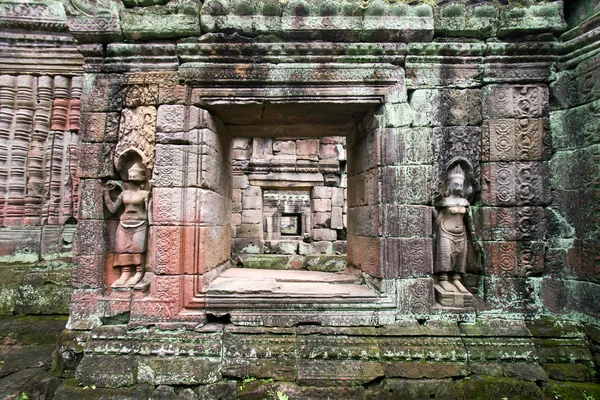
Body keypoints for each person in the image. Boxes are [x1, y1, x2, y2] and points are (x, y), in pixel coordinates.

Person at [104, 155, 151, 288]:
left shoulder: (145, 194)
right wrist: (106, 194)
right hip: (124, 223)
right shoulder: (124, 194)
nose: (133, 177)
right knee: (122, 249)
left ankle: (138, 272)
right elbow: (113, 209)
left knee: (137, 249)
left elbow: (149, 212)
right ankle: (125, 273)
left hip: (140, 224)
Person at [434, 163, 473, 295]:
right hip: (446, 232)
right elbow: (438, 219)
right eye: (455, 184)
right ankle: (443, 278)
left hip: (461, 234)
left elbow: (469, 221)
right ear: (450, 185)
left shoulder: (464, 202)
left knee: (460, 257)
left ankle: (456, 278)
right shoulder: (445, 201)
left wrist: (475, 238)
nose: (458, 187)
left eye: (460, 184)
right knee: (445, 255)